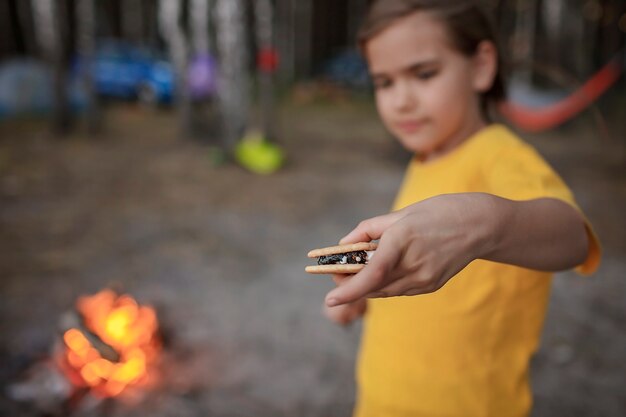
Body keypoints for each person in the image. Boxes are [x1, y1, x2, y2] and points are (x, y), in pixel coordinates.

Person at [321, 1, 601, 416]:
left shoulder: (501, 157)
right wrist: (368, 293)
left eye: (424, 74)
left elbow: (573, 237)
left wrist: (482, 222)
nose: (401, 101)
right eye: (384, 82)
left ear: (481, 66)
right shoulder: (425, 158)